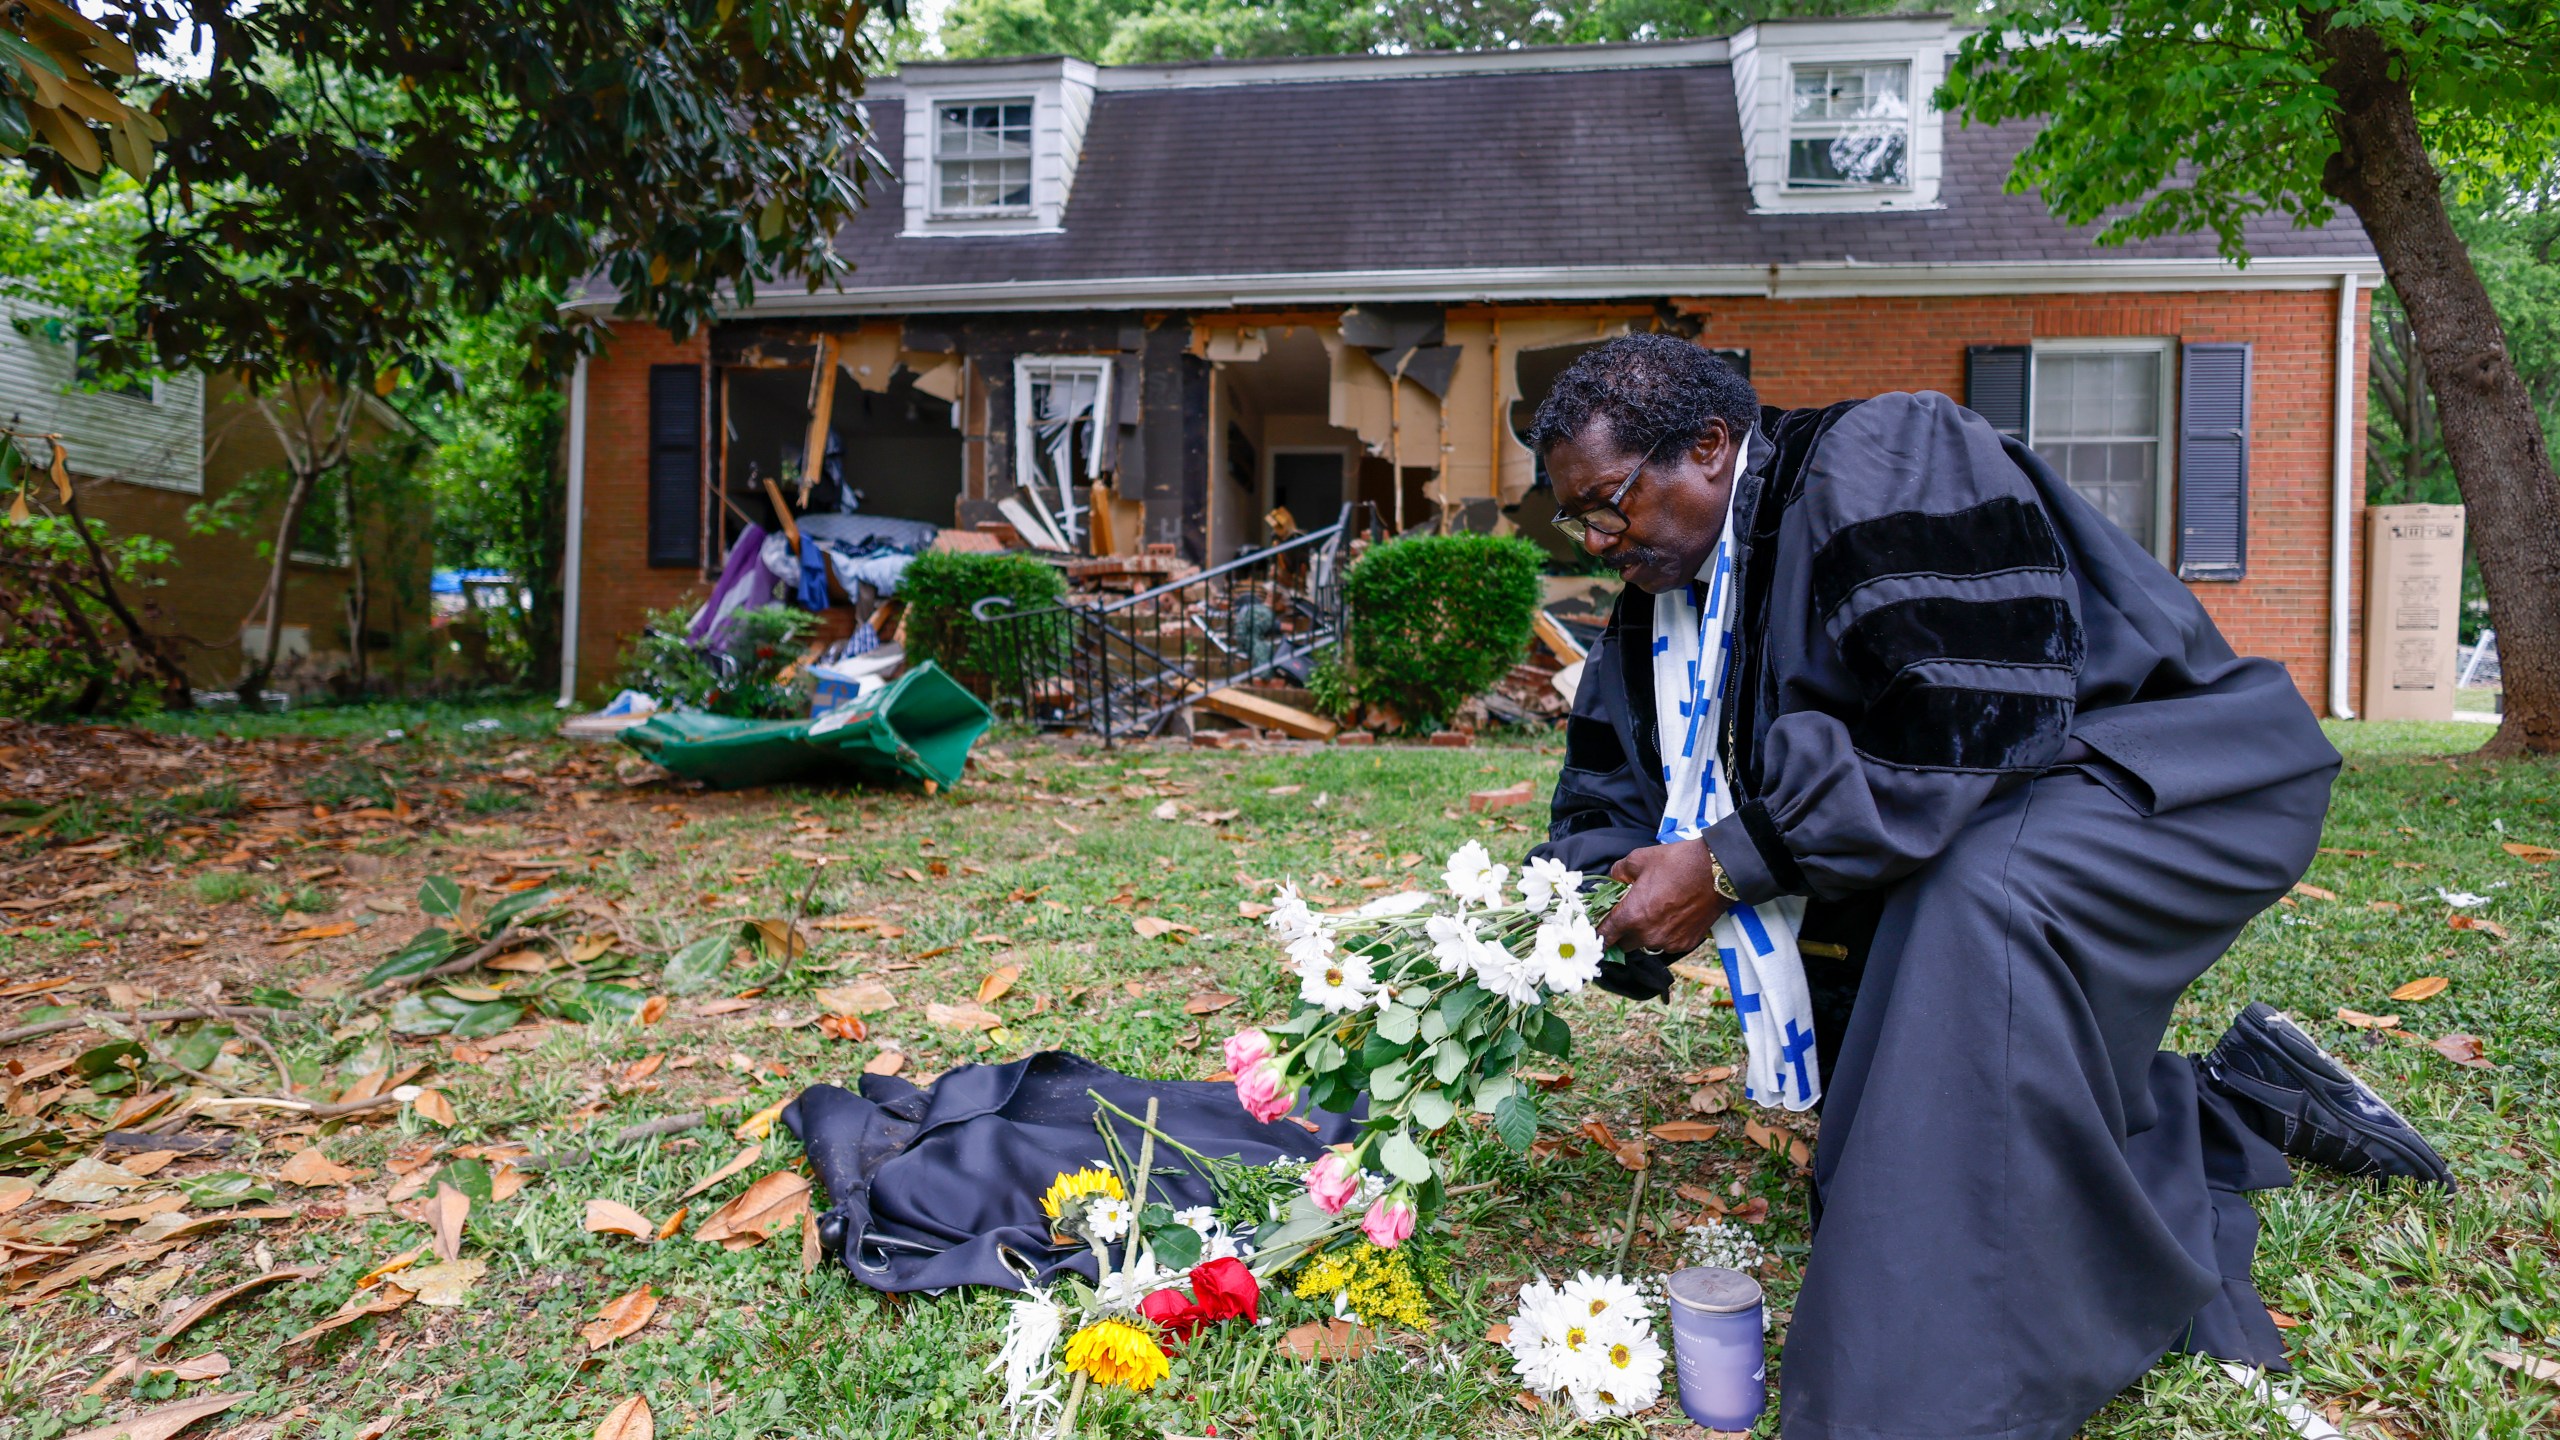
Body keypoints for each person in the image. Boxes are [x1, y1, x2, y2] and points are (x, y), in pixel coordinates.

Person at [1521, 334, 2453, 1440]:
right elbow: (1612, 806)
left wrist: (1729, 863)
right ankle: (2223, 1097)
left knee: (1972, 918)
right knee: (1892, 1116)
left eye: (1609, 501)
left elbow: (1973, 715)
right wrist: (1566, 920)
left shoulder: (1875, 455)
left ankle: (1933, 1397)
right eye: (1575, 519)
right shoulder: (1660, 606)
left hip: (2169, 775)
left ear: (1712, 447)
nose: (1596, 538)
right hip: (1994, 812)